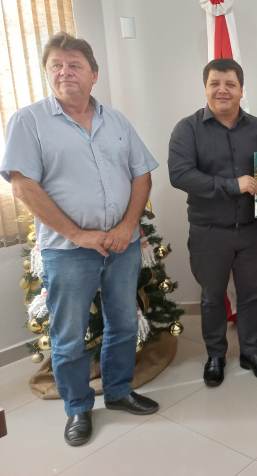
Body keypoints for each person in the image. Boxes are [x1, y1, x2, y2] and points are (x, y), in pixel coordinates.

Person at [1, 32, 159, 446]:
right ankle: (78, 408)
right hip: (67, 252)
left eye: (74, 65)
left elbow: (141, 174)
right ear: (47, 73)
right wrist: (77, 234)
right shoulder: (28, 121)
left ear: (93, 74)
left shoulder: (118, 121)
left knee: (123, 323)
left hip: (122, 246)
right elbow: (22, 185)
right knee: (68, 335)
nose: (65, 72)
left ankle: (120, 391)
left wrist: (128, 226)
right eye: (56, 65)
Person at [168, 58, 257, 387]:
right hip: (209, 232)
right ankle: (216, 355)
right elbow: (180, 175)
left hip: (252, 231)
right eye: (215, 83)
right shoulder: (187, 129)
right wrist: (234, 184)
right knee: (212, 297)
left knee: (250, 296)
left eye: (230, 84)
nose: (222, 90)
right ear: (205, 88)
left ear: (242, 90)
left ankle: (251, 352)